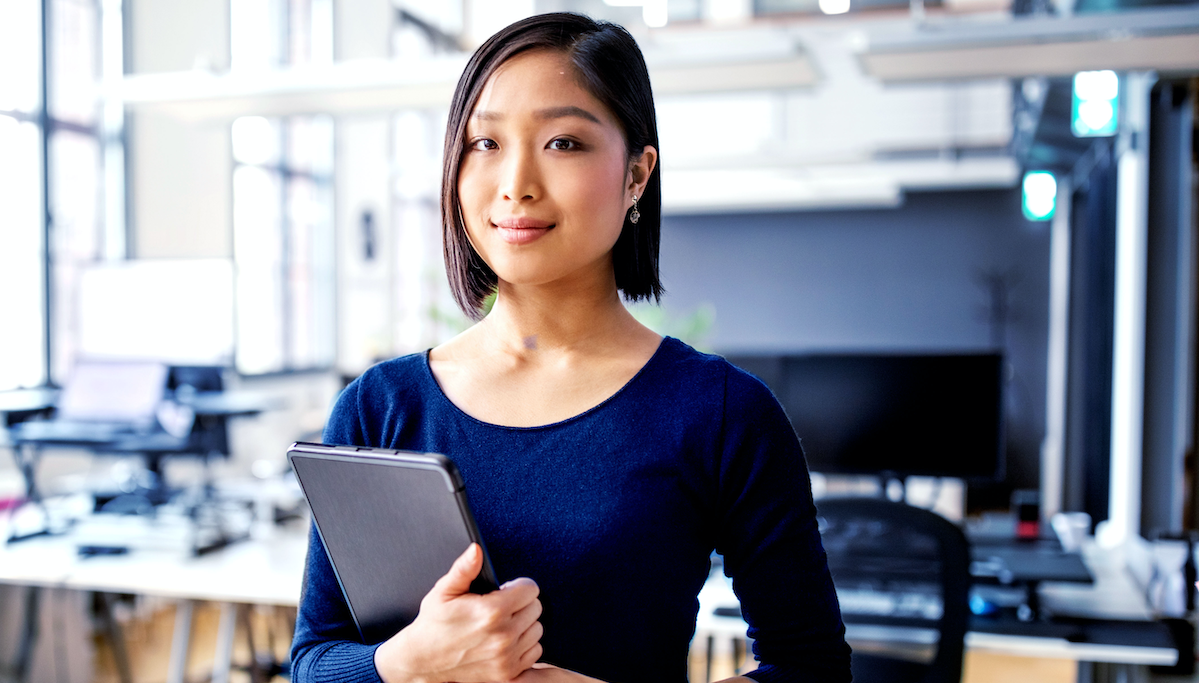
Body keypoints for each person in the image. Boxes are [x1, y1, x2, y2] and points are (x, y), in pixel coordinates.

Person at [290, 12, 851, 683]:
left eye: (562, 142)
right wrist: (404, 663)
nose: (516, 182)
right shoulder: (380, 407)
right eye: (485, 142)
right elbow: (313, 661)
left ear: (638, 174)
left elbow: (811, 667)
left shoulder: (722, 412)